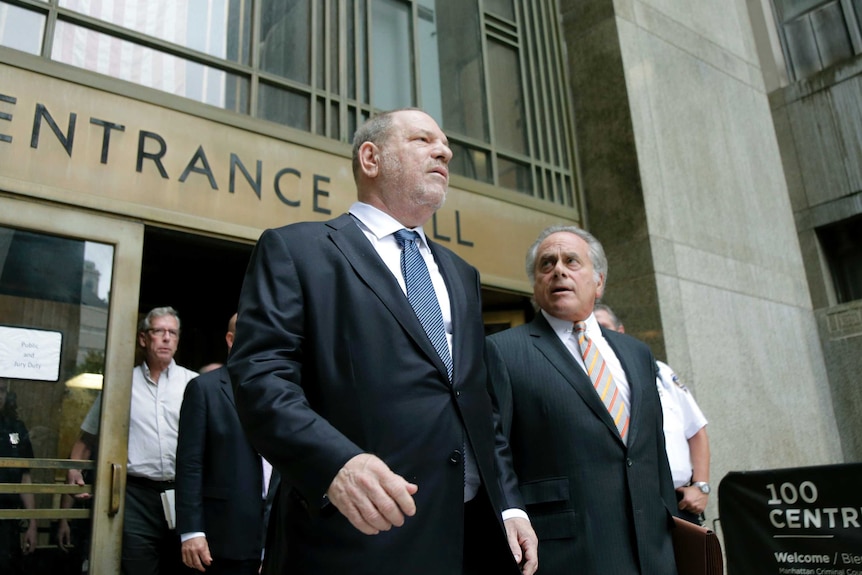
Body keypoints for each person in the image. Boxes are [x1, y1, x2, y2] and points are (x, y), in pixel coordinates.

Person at [227, 108, 538, 575]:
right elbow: (260, 379)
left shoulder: (461, 274)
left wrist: (509, 503)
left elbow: (479, 402)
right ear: (370, 158)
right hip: (357, 538)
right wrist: (334, 465)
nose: (445, 151)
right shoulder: (297, 251)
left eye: (446, 145)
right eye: (422, 140)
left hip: (471, 536)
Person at [485, 225, 678, 575]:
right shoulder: (503, 351)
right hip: (567, 551)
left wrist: (677, 531)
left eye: (572, 261)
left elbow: (654, 451)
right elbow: (494, 448)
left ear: (598, 281)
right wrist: (512, 513)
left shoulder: (637, 354)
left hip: (654, 550)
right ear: (535, 284)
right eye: (547, 264)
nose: (558, 269)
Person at [64, 306, 198, 575]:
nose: (166, 338)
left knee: (184, 567)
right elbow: (86, 440)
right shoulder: (121, 383)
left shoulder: (194, 384)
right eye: (159, 331)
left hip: (184, 493)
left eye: (172, 332)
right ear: (143, 338)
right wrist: (74, 470)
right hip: (135, 495)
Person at [176, 313, 277, 574]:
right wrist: (191, 531)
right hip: (225, 533)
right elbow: (190, 465)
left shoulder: (282, 389)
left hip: (276, 531)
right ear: (231, 340)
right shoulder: (204, 389)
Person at [593, 303, 711, 525]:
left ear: (621, 332)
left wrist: (701, 486)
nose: (599, 333)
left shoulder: (659, 371)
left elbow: (696, 429)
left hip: (680, 503)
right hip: (627, 505)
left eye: (604, 326)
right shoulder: (587, 381)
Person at [0, 379, 37, 574]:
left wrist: (32, 523)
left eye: (2, 390)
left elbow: (25, 478)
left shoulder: (15, 428)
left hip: (8, 519)